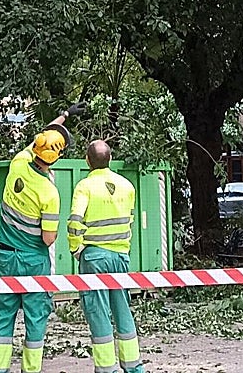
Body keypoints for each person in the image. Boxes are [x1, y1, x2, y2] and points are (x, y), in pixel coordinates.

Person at [0, 102, 86, 373]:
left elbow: (42, 137)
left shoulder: (18, 163)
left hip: (5, 257)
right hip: (33, 261)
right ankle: (30, 369)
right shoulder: (49, 193)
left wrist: (64, 115)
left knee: (1, 316)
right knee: (35, 318)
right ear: (58, 158)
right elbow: (48, 239)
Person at [67, 140, 145, 373]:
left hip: (94, 257)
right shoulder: (127, 186)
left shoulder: (84, 187)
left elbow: (74, 222)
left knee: (98, 311)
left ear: (87, 161)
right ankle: (133, 366)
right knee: (122, 308)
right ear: (110, 159)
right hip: (120, 255)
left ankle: (107, 368)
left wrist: (76, 249)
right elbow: (129, 220)